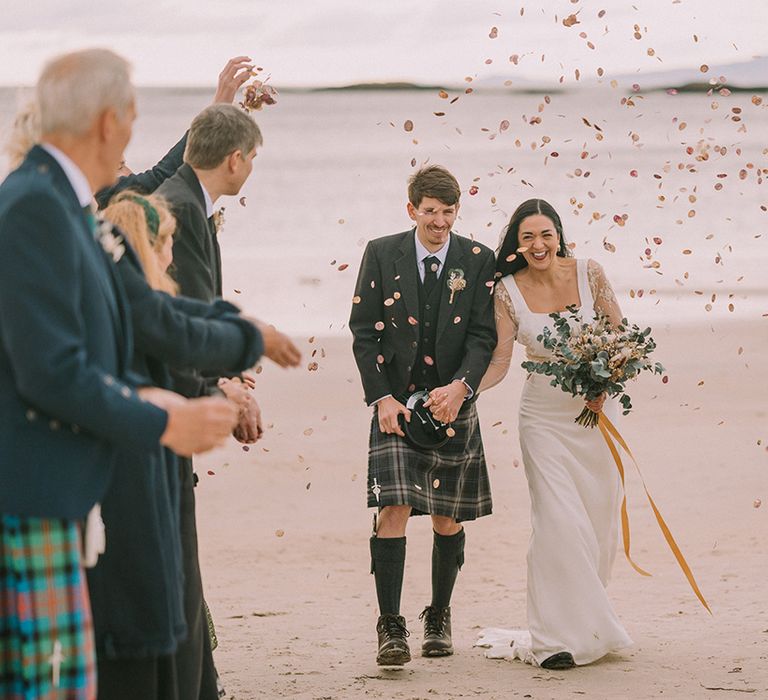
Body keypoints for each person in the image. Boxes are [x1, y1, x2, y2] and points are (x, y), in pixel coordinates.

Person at [0, 48, 238, 700]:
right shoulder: (33, 211)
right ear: (106, 122)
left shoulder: (68, 209)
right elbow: (53, 373)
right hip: (35, 499)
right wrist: (164, 415)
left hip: (65, 498)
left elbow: (155, 182)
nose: (132, 137)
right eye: (129, 116)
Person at [86, 190, 265, 699]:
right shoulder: (134, 308)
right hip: (135, 477)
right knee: (155, 606)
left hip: (161, 469)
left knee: (175, 598)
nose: (172, 255)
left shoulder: (139, 300)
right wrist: (225, 381)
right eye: (165, 243)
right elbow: (170, 373)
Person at [157, 102, 299, 699]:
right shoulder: (183, 210)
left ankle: (202, 683)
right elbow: (181, 315)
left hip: (184, 392)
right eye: (254, 157)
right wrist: (221, 384)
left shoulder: (187, 198)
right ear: (236, 158)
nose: (252, 168)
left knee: (184, 564)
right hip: (169, 405)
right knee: (177, 565)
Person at [349, 165, 497, 666]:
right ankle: (391, 627)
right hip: (395, 404)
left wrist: (461, 388)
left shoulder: (478, 259)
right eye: (430, 212)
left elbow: (483, 335)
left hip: (452, 404)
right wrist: (382, 398)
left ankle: (438, 615)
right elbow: (364, 331)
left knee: (446, 516)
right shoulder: (381, 252)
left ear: (458, 211)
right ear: (410, 209)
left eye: (448, 212)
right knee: (391, 509)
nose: (439, 222)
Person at [477, 198, 632, 669]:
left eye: (545, 235)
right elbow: (501, 362)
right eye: (527, 238)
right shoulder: (506, 290)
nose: (538, 245)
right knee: (558, 522)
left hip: (593, 416)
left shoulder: (590, 272)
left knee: (597, 524)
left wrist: (606, 383)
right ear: (517, 244)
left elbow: (620, 337)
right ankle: (552, 641)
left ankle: (583, 621)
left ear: (559, 236)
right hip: (542, 417)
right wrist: (462, 391)